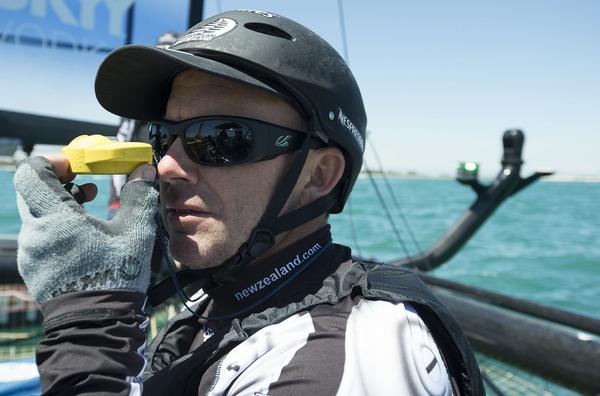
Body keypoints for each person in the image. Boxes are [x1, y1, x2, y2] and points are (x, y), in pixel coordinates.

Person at [14, 10, 484, 396]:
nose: (167, 168)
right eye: (163, 137)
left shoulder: (344, 358)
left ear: (320, 176)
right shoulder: (221, 292)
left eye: (222, 138)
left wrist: (88, 327)